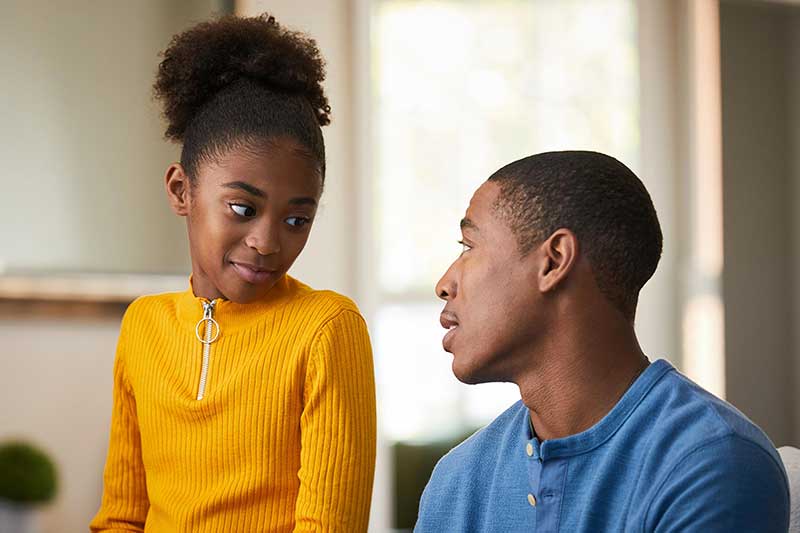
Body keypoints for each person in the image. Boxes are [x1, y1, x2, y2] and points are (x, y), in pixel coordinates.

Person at [90, 14, 376, 532]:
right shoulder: (142, 327)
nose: (268, 242)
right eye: (243, 208)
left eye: (296, 219)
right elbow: (122, 517)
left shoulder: (327, 329)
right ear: (182, 190)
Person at [415, 151, 789, 532]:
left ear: (554, 261)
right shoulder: (457, 482)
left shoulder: (712, 464)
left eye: (468, 246)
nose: (444, 284)